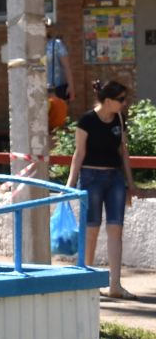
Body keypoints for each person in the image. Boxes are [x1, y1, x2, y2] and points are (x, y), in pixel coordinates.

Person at [69, 80, 135, 299]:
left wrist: (130, 183)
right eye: (121, 100)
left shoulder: (119, 118)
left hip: (114, 178)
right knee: (91, 230)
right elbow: (78, 154)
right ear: (108, 101)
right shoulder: (86, 120)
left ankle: (114, 285)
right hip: (91, 178)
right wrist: (70, 185)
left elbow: (122, 151)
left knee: (116, 230)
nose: (125, 104)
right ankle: (87, 282)